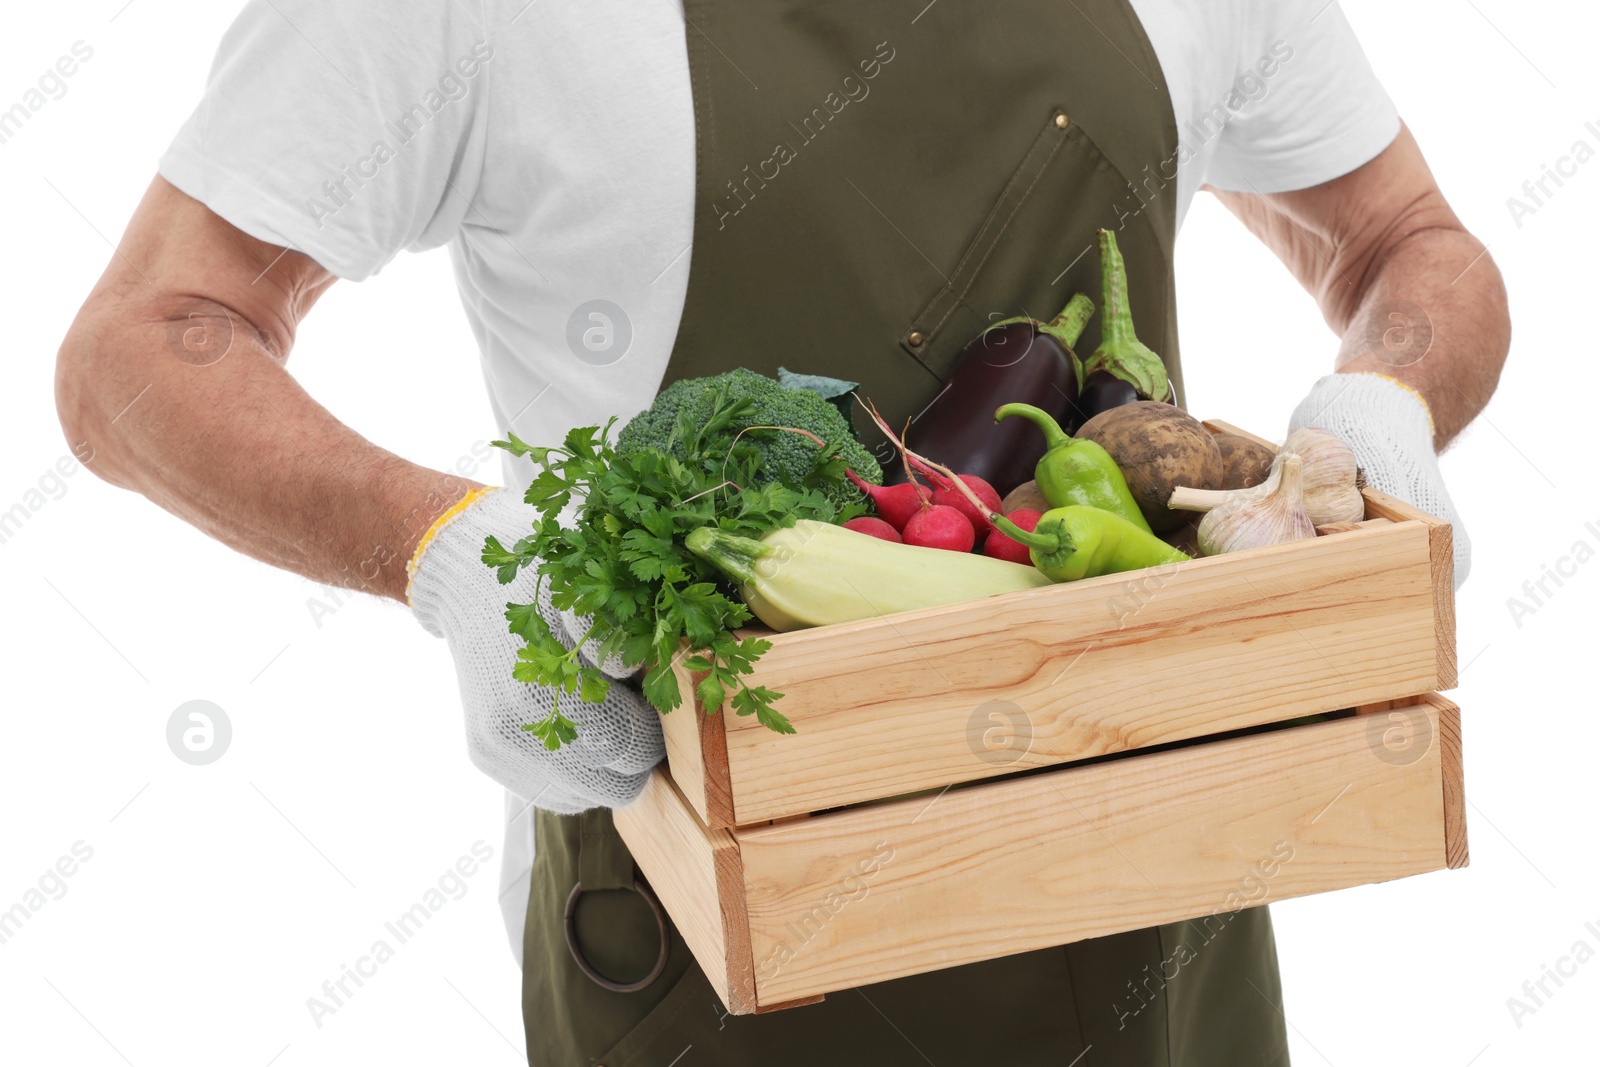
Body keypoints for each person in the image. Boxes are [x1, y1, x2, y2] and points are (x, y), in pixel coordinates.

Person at [56, 0, 1507, 1063]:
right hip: (715, 948)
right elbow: (143, 346)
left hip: (1155, 911)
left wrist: (1385, 402)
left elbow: (1405, 242)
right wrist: (444, 555)